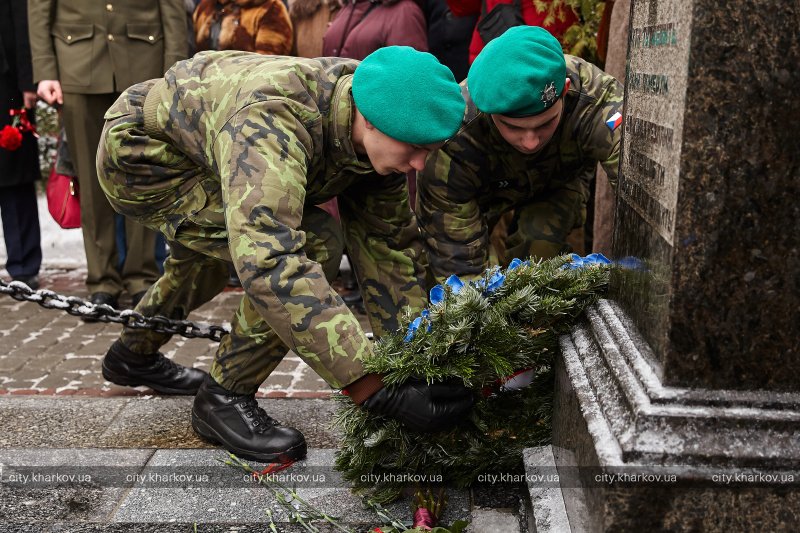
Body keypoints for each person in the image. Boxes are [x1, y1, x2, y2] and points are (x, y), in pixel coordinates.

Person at [96, 47, 473, 462]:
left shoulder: (376, 114)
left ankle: (131, 355)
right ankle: (223, 397)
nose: (420, 164)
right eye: (414, 148)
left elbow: (388, 249)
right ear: (369, 121)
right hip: (145, 157)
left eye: (430, 149)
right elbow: (270, 260)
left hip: (209, 138)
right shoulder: (274, 120)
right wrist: (372, 386)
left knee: (200, 266)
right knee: (314, 242)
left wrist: (415, 364)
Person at [416, 26, 623, 281]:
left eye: (545, 123)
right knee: (464, 289)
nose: (530, 142)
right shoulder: (455, 135)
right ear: (487, 112)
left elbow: (636, 180)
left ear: (566, 91)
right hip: (483, 193)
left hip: (558, 180)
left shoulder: (595, 99)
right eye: (513, 127)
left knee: (541, 258)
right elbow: (457, 258)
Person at [28, 0, 188, 313]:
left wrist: (174, 70)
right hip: (77, 63)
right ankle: (102, 281)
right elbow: (38, 7)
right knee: (90, 180)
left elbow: (173, 8)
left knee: (144, 178)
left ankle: (142, 278)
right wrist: (45, 70)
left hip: (145, 63)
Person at [0, 0, 42, 290]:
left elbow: (25, 21)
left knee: (14, 172)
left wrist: (29, 82)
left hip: (8, 83)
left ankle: (24, 266)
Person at [193, 0, 294, 56]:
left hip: (246, 88)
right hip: (204, 87)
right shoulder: (206, 6)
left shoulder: (271, 8)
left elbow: (268, 64)